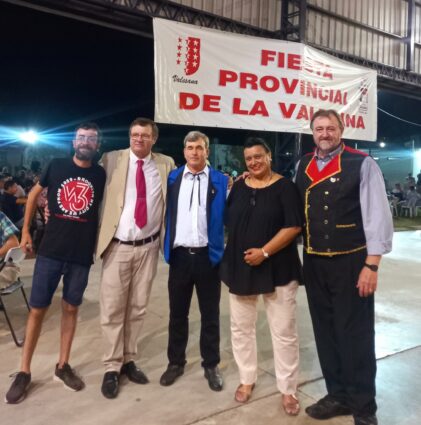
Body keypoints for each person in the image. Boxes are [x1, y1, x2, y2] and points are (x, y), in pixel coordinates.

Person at [295, 109, 393, 425]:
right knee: (325, 333)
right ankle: (338, 395)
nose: (324, 134)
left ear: (342, 129)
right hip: (314, 262)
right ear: (312, 132)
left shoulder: (362, 163)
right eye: (319, 129)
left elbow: (378, 216)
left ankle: (364, 407)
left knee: (356, 336)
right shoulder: (303, 165)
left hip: (351, 262)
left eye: (330, 128)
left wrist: (372, 266)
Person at [5, 122, 106, 404]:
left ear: (98, 145)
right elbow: (33, 195)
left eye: (91, 139)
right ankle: (24, 371)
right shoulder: (56, 165)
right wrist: (26, 231)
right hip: (51, 251)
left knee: (71, 308)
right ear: (74, 142)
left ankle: (63, 365)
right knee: (38, 310)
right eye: (81, 137)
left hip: (81, 255)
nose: (85, 142)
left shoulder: (100, 174)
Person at [219, 137, 303, 415]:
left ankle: (288, 389)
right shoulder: (240, 186)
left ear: (269, 156)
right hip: (241, 266)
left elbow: (294, 226)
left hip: (278, 267)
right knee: (241, 328)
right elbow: (229, 220)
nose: (254, 162)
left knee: (284, 331)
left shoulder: (285, 187)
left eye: (258, 156)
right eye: (249, 159)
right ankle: (247, 379)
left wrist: (265, 252)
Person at [97, 117, 175, 399]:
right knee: (113, 309)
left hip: (149, 247)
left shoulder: (166, 164)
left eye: (144, 135)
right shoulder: (111, 159)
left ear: (154, 138)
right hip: (117, 246)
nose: (139, 139)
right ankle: (111, 365)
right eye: (134, 134)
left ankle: (129, 359)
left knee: (138, 307)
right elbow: (89, 182)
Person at [160, 131, 228, 392]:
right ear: (184, 151)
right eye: (190, 148)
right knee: (178, 314)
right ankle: (175, 362)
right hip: (180, 257)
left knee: (210, 315)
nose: (194, 152)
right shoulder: (173, 178)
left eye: (199, 148)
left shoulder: (221, 180)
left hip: (208, 258)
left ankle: (211, 364)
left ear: (207, 151)